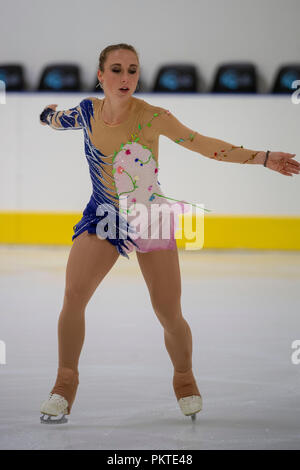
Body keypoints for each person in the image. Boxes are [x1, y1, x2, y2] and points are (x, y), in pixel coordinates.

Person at [39, 43, 300, 424]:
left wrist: (261, 157)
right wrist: (46, 115)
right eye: (116, 69)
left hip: (149, 217)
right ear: (101, 77)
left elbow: (203, 145)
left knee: (168, 312)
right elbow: (58, 119)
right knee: (73, 295)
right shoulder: (86, 112)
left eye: (132, 70)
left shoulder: (153, 116)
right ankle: (64, 384)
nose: (125, 77)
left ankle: (184, 377)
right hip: (102, 214)